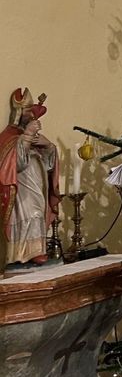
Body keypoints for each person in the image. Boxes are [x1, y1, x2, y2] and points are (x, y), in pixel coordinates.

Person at [0, 89, 58, 267]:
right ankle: (20, 252)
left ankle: (36, 250)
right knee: (31, 214)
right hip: (22, 188)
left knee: (38, 213)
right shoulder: (9, 137)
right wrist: (26, 136)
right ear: (18, 113)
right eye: (27, 111)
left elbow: (48, 165)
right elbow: (15, 164)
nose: (31, 114)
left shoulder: (30, 137)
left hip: (37, 185)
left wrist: (48, 146)